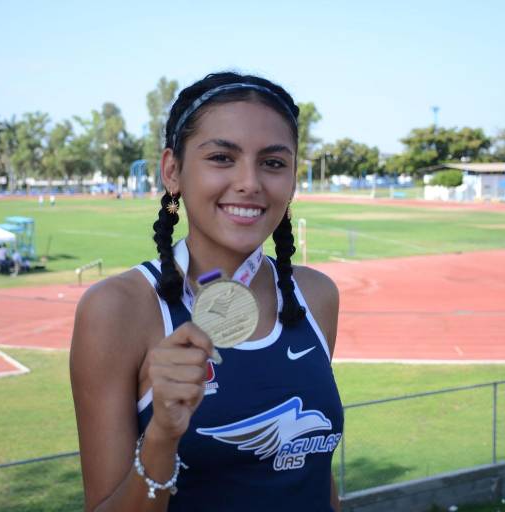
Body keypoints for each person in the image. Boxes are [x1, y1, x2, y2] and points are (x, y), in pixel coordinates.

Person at [70, 72, 343, 512]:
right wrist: (162, 433)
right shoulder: (118, 310)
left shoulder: (315, 296)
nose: (250, 182)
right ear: (173, 171)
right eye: (222, 157)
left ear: (292, 180)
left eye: (273, 163)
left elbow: (312, 473)